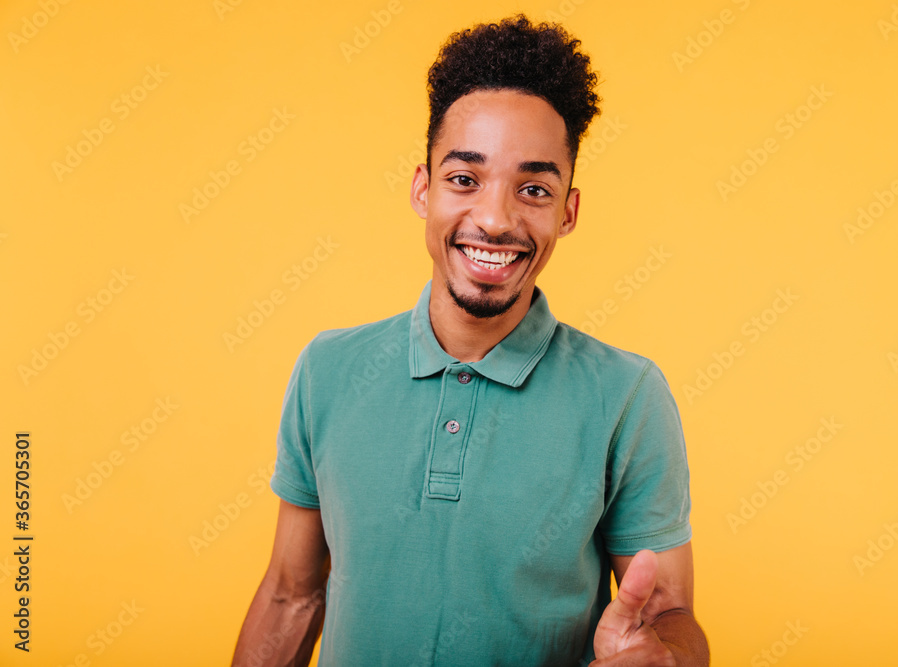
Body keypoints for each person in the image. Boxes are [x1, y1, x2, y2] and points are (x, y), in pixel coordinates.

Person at [233, 13, 709, 667]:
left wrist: (667, 655)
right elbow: (290, 597)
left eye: (534, 188)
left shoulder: (628, 395)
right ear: (422, 189)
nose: (494, 218)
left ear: (568, 210)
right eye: (464, 179)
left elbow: (671, 616)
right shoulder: (328, 370)